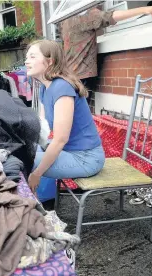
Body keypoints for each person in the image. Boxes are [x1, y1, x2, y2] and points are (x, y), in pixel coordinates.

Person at [25, 40, 105, 192]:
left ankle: (32, 210)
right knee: (22, 151)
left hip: (86, 158)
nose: (26, 61)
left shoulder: (62, 88)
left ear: (50, 61)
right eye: (27, 57)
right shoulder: (45, 88)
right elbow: (43, 130)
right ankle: (35, 207)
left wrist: (37, 174)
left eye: (32, 57)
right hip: (69, 152)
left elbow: (61, 140)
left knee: (23, 161)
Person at [60, 5, 152, 91]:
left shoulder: (66, 19)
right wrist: (144, 9)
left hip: (69, 74)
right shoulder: (87, 16)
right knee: (80, 113)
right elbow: (112, 16)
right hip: (81, 76)